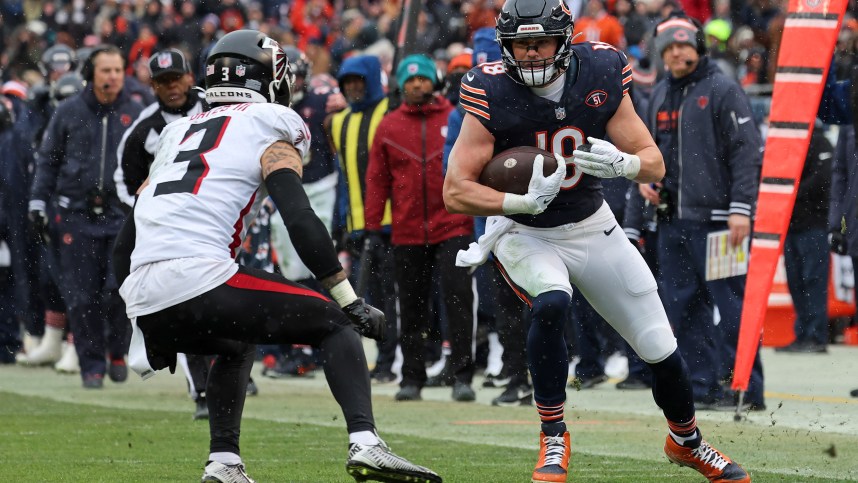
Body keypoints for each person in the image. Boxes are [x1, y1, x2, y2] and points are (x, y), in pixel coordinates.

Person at [112, 30, 441, 483]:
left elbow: (125, 238)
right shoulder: (270, 121)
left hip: (145, 295)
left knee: (235, 340)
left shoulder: (175, 132)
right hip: (200, 277)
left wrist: (133, 313)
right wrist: (348, 298)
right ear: (270, 76)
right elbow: (299, 217)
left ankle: (224, 463)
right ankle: (367, 443)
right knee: (335, 322)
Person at [443, 1, 750, 481]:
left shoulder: (602, 69)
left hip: (591, 222)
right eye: (520, 44)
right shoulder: (490, 88)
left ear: (564, 40)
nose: (530, 54)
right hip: (525, 232)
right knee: (551, 302)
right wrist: (520, 203)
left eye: (539, 42)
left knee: (659, 346)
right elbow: (455, 190)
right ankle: (553, 438)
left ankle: (686, 441)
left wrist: (624, 166)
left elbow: (653, 163)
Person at [643, 14, 765, 411]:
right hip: (673, 220)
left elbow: (747, 152)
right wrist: (645, 185)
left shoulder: (723, 89)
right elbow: (652, 156)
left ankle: (745, 387)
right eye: (670, 47)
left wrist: (741, 209)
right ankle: (702, 387)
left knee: (730, 307)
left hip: (718, 220)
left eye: (684, 44)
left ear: (698, 47)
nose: (677, 52)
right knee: (683, 309)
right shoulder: (660, 94)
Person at [113, 48, 223, 419]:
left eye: (175, 78)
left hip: (222, 218)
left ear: (190, 77)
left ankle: (233, 367)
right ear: (153, 86)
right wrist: (148, 210)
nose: (171, 87)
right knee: (190, 303)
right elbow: (124, 181)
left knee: (231, 301)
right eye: (162, 82)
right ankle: (202, 390)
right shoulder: (143, 129)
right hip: (175, 231)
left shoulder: (219, 106)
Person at [29, 44, 144, 389]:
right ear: (90, 75)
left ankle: (117, 351)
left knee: (118, 290)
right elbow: (48, 161)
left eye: (118, 71)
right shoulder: (68, 111)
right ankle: (90, 364)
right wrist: (37, 201)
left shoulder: (136, 112)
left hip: (120, 213)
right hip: (76, 213)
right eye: (106, 71)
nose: (113, 77)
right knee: (81, 296)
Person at [365, 54, 476, 403]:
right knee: (412, 307)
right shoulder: (388, 126)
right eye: (410, 80)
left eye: (422, 79)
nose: (416, 85)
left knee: (458, 302)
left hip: (454, 224)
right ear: (401, 84)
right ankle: (411, 377)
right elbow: (377, 180)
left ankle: (462, 376)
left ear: (434, 81)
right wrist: (371, 227)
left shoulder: (455, 117)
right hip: (407, 230)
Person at [327, 54, 399, 384]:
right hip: (357, 225)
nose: (354, 87)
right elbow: (344, 177)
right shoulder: (340, 121)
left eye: (359, 80)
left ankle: (390, 361)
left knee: (391, 296)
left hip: (390, 223)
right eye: (347, 82)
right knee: (365, 299)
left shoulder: (390, 111)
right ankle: (374, 361)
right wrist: (340, 223)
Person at [775, 126, 832, 354]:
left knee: (813, 281)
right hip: (791, 225)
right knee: (797, 282)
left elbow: (822, 179)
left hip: (813, 225)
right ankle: (803, 334)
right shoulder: (787, 144)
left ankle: (816, 336)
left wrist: (789, 192)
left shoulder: (821, 141)